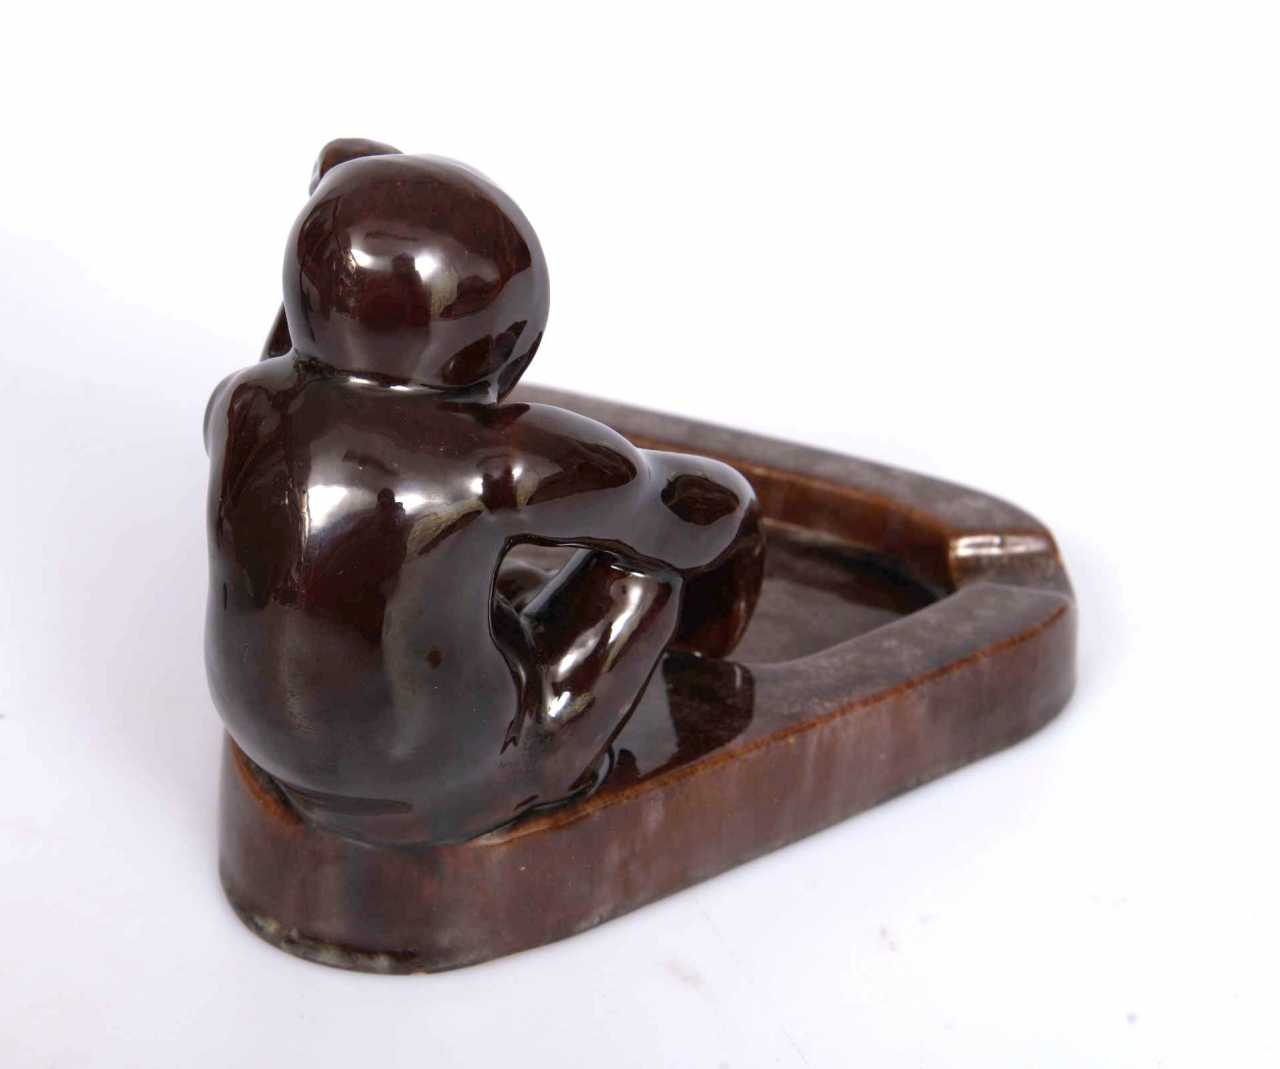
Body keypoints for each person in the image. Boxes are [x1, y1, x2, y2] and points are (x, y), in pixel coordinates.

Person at [204, 142, 764, 845]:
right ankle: (664, 685)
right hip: (451, 775)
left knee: (482, 574)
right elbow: (677, 516)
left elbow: (294, 350)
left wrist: (334, 221)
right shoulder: (491, 461)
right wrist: (737, 508)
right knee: (644, 567)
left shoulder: (242, 406)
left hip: (271, 743)